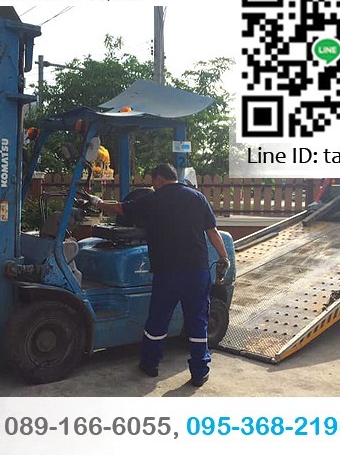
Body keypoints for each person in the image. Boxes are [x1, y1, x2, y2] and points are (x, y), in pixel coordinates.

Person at [84, 163, 230, 387]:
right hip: (197, 272)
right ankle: (200, 371)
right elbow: (212, 231)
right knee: (198, 321)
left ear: (159, 179)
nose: (152, 185)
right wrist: (224, 257)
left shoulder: (153, 199)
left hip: (167, 273)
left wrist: (97, 202)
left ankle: (150, 364)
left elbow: (121, 209)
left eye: (153, 181)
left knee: (158, 319)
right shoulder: (197, 198)